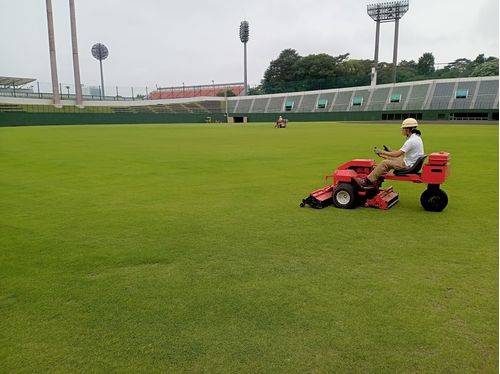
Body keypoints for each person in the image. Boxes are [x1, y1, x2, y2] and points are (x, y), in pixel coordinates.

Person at [360, 117, 424, 187]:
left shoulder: (411, 141)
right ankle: (378, 173)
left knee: (385, 163)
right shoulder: (416, 138)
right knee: (389, 158)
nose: (402, 130)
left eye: (403, 128)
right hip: (411, 163)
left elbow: (397, 154)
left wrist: (382, 152)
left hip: (408, 165)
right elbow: (400, 152)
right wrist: (389, 150)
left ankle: (368, 181)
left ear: (407, 129)